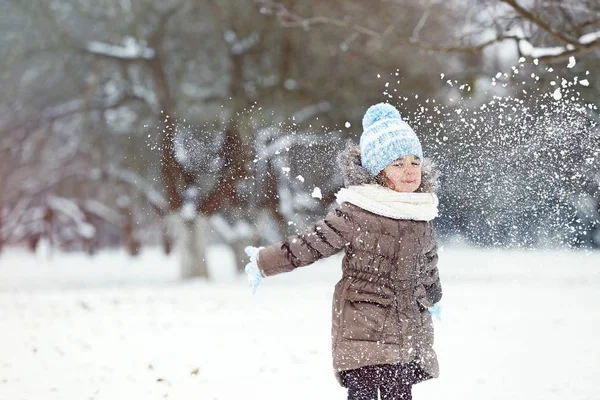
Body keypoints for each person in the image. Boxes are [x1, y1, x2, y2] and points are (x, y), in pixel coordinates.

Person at [245, 102, 442, 400]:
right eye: (398, 163)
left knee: (399, 394)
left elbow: (428, 263)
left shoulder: (421, 213)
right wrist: (264, 261)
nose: (409, 170)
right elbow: (311, 244)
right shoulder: (357, 211)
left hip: (406, 326)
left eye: (415, 162)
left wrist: (433, 296)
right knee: (363, 393)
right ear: (378, 171)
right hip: (363, 323)